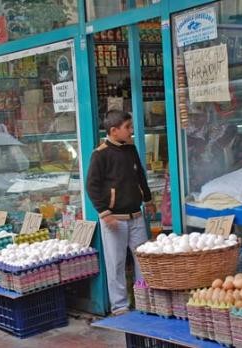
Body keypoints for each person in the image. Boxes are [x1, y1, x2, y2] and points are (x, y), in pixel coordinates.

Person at [86, 109, 156, 316]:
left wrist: (148, 199)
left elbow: (140, 176)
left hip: (136, 216)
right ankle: (120, 305)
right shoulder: (100, 154)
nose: (131, 130)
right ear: (114, 130)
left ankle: (143, 300)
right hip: (114, 219)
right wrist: (105, 213)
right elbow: (92, 186)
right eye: (128, 127)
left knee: (142, 260)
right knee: (115, 263)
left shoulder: (131, 149)